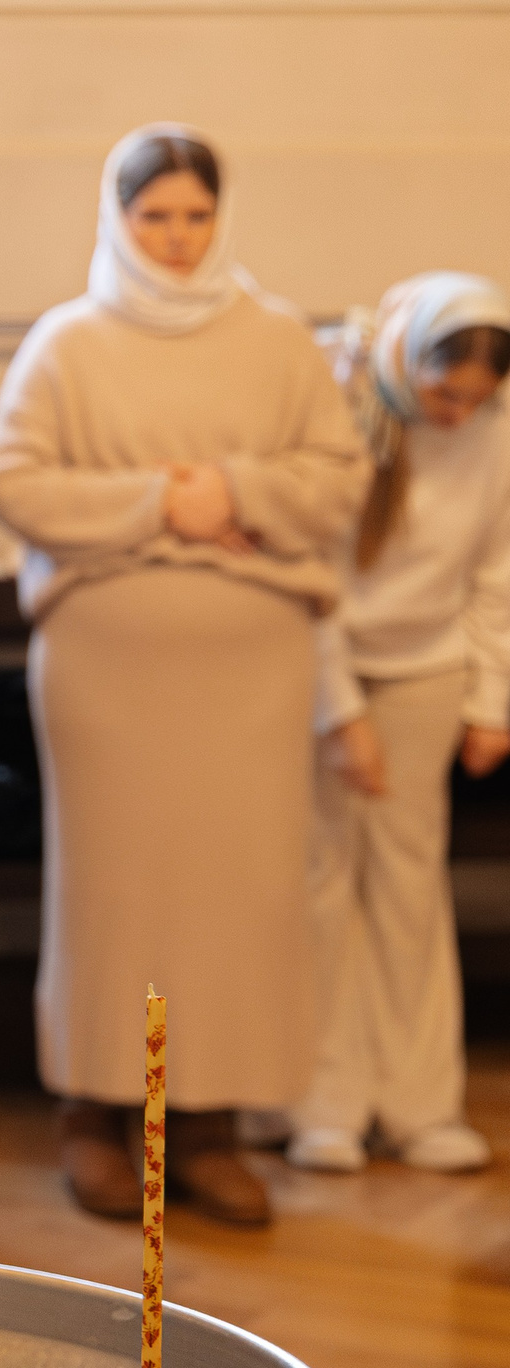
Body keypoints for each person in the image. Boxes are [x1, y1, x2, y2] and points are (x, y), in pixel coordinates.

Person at [0, 125, 369, 1224]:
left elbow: (336, 480)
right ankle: (94, 1115)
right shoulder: (66, 342)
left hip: (251, 677)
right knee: (115, 893)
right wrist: (163, 504)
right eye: (156, 216)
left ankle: (205, 1126)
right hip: (109, 674)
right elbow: (15, 484)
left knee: (238, 896)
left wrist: (234, 490)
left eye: (195, 215)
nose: (178, 238)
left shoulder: (279, 339)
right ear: (118, 217)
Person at [293, 274, 510, 1174]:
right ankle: (321, 1105)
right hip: (322, 675)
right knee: (321, 883)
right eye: (443, 393)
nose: (458, 415)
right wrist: (342, 717)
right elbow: (307, 581)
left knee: (411, 888)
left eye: (479, 399)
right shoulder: (332, 409)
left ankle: (420, 1106)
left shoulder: (494, 434)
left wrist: (491, 703)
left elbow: (499, 573)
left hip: (428, 671)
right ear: (402, 356)